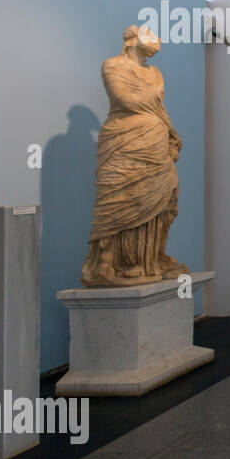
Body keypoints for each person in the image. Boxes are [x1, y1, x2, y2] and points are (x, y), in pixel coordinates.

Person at [81, 25, 189, 287]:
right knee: (119, 198)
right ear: (133, 39)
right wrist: (151, 97)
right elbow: (124, 100)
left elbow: (153, 106)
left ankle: (151, 258)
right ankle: (108, 262)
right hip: (123, 140)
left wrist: (168, 132)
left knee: (165, 201)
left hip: (155, 142)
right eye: (152, 35)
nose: (159, 41)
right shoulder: (113, 66)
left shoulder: (155, 73)